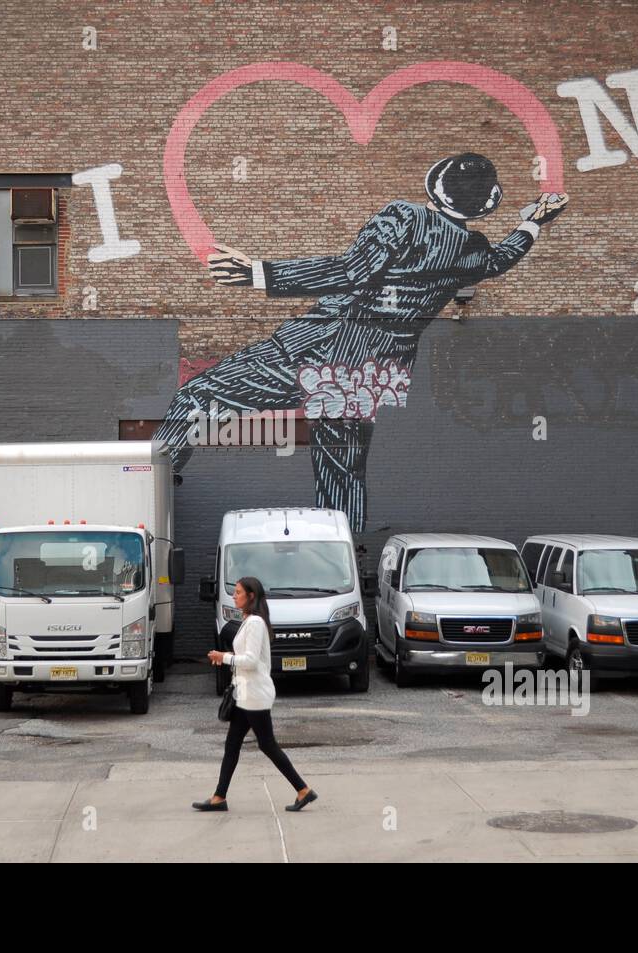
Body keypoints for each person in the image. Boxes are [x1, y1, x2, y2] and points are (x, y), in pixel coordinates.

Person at [154, 154, 568, 530]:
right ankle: (343, 564)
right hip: (370, 374)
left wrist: (259, 273)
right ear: (483, 205)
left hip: (317, 348)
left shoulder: (402, 218)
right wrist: (533, 221)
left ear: (434, 185)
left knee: (199, 396)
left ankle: (148, 494)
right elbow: (500, 260)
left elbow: (353, 271)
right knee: (342, 474)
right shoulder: (471, 249)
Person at [193, 576, 316, 812]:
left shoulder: (256, 623)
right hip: (245, 694)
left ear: (251, 596)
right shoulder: (249, 621)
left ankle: (303, 790)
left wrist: (224, 657)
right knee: (233, 745)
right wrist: (226, 657)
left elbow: (250, 661)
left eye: (238, 592)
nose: (234, 595)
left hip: (255, 695)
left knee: (267, 745)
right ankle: (219, 797)